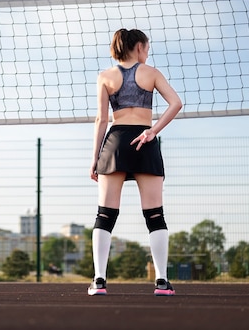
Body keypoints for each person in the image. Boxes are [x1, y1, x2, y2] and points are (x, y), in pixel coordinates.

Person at [88, 28, 182, 296]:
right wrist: (152, 131)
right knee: (155, 215)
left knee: (105, 215)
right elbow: (176, 103)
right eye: (148, 47)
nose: (148, 52)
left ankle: (99, 282)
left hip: (115, 142)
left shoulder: (105, 76)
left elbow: (102, 121)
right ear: (139, 46)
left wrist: (94, 158)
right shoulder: (150, 72)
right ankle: (162, 281)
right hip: (144, 140)